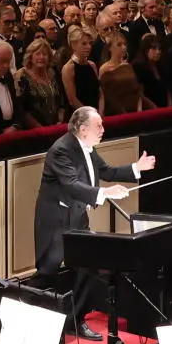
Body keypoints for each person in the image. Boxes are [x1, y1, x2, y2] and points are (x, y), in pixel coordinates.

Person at [32, 105, 156, 275]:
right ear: (83, 129)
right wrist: (105, 192)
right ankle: (21, 301)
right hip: (57, 221)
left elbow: (107, 171)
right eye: (98, 126)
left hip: (77, 217)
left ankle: (84, 302)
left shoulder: (88, 148)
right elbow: (71, 184)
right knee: (47, 271)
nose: (103, 130)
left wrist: (137, 167)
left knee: (87, 268)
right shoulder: (61, 150)